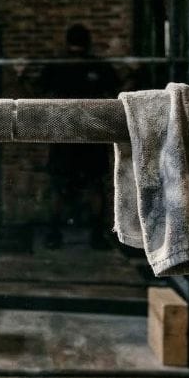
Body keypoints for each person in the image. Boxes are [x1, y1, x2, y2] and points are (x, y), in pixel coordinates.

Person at [36, 24, 121, 249]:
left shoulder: (57, 65)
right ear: (89, 42)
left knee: (58, 186)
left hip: (63, 135)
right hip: (92, 135)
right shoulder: (99, 66)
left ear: (67, 42)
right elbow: (118, 93)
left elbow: (37, 92)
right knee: (95, 186)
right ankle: (97, 237)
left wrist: (19, 73)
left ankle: (54, 235)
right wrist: (135, 71)